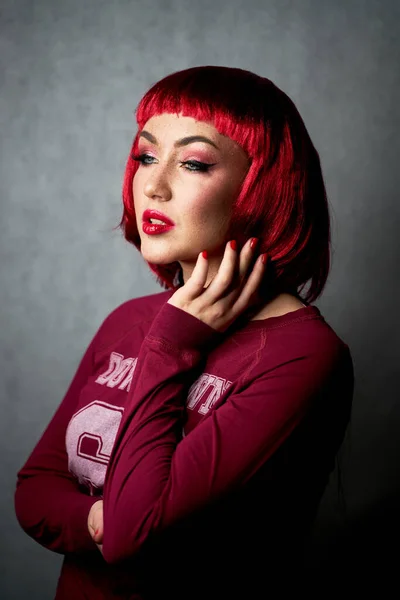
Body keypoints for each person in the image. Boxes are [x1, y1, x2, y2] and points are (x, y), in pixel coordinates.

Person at [15, 65, 354, 599]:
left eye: (193, 163)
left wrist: (173, 343)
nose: (153, 184)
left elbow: (137, 535)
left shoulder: (303, 354)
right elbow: (34, 491)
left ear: (259, 187)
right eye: (146, 156)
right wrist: (103, 520)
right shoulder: (128, 321)